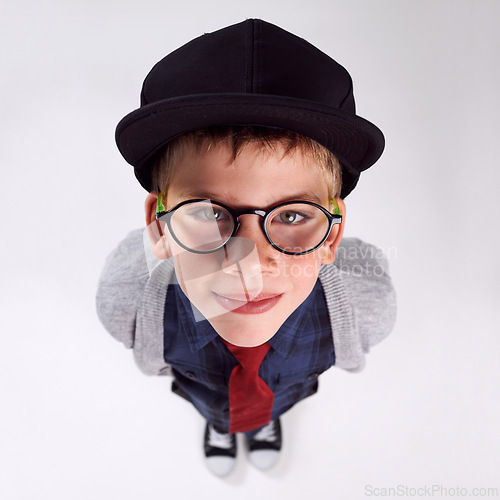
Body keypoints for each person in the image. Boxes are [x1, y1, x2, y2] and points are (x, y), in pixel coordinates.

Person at [96, 19, 396, 477]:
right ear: (159, 228)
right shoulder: (129, 302)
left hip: (287, 387)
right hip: (206, 391)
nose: (248, 265)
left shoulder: (364, 304)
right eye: (208, 213)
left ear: (332, 236)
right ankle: (220, 424)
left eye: (292, 215)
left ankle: (264, 423)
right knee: (213, 406)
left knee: (276, 402)